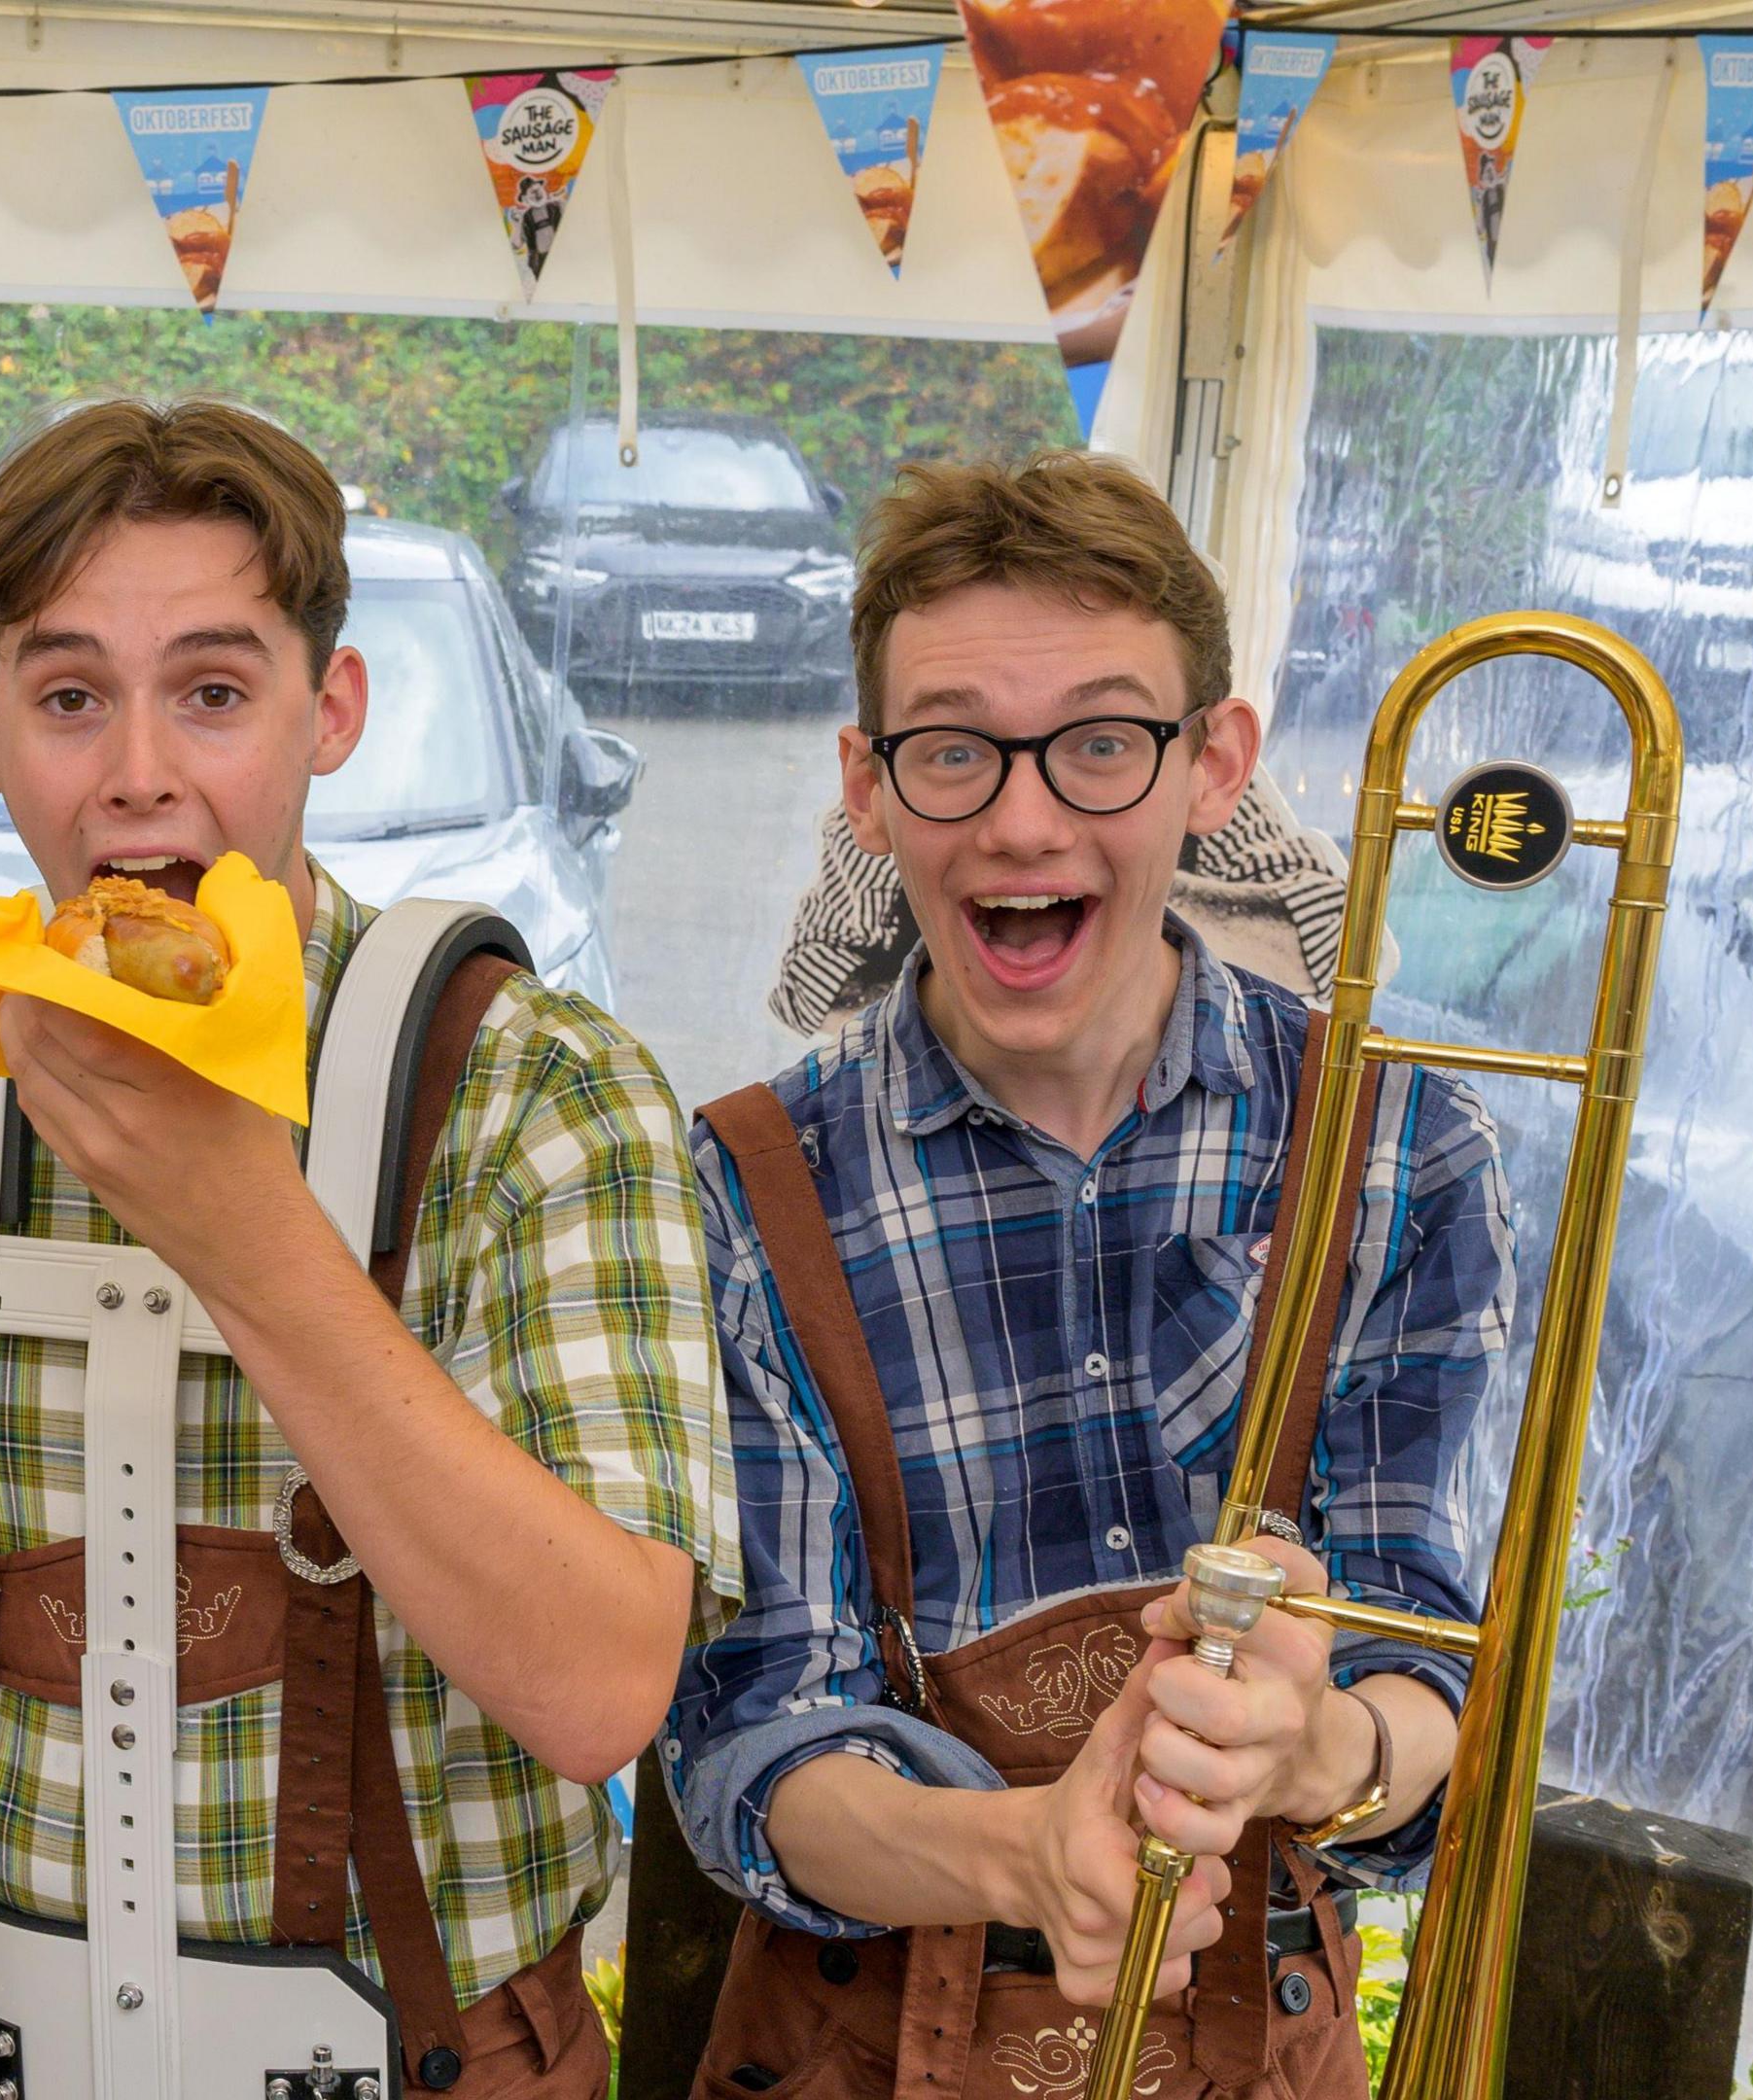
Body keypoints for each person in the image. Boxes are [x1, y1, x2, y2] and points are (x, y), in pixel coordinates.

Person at [0, 398, 739, 2098]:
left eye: (214, 692)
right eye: (71, 699)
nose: (138, 768)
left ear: (328, 712)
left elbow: (599, 1691)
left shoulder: (534, 1098)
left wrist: (249, 1236)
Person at [664, 453, 1513, 2100]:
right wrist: (1017, 1857)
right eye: (955, 749)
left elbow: (1436, 1667)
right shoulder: (746, 1188)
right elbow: (753, 1739)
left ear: (1215, 767)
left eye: (1104, 744)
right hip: (853, 2038)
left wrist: (1325, 1745)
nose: (1025, 818)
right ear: (869, 784)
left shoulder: (1401, 1144)